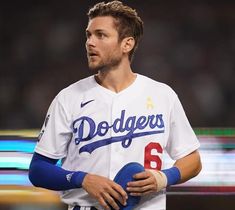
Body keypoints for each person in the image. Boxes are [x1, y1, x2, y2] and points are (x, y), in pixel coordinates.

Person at [28, 1, 202, 210]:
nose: (90, 42)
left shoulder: (162, 95)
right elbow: (38, 169)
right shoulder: (69, 98)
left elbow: (193, 160)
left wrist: (163, 177)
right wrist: (82, 179)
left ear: (126, 44)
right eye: (88, 35)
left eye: (101, 35)